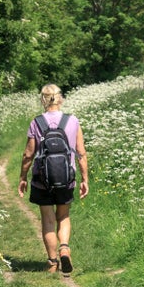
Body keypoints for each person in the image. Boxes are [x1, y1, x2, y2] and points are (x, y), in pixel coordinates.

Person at [18, 84, 89, 276]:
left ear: (43, 99)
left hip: (42, 179)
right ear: (61, 99)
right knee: (63, 216)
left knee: (48, 220)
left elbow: (27, 154)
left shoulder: (37, 122)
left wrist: (23, 177)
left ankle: (52, 263)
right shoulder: (72, 121)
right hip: (66, 178)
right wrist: (85, 179)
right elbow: (81, 153)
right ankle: (64, 248)